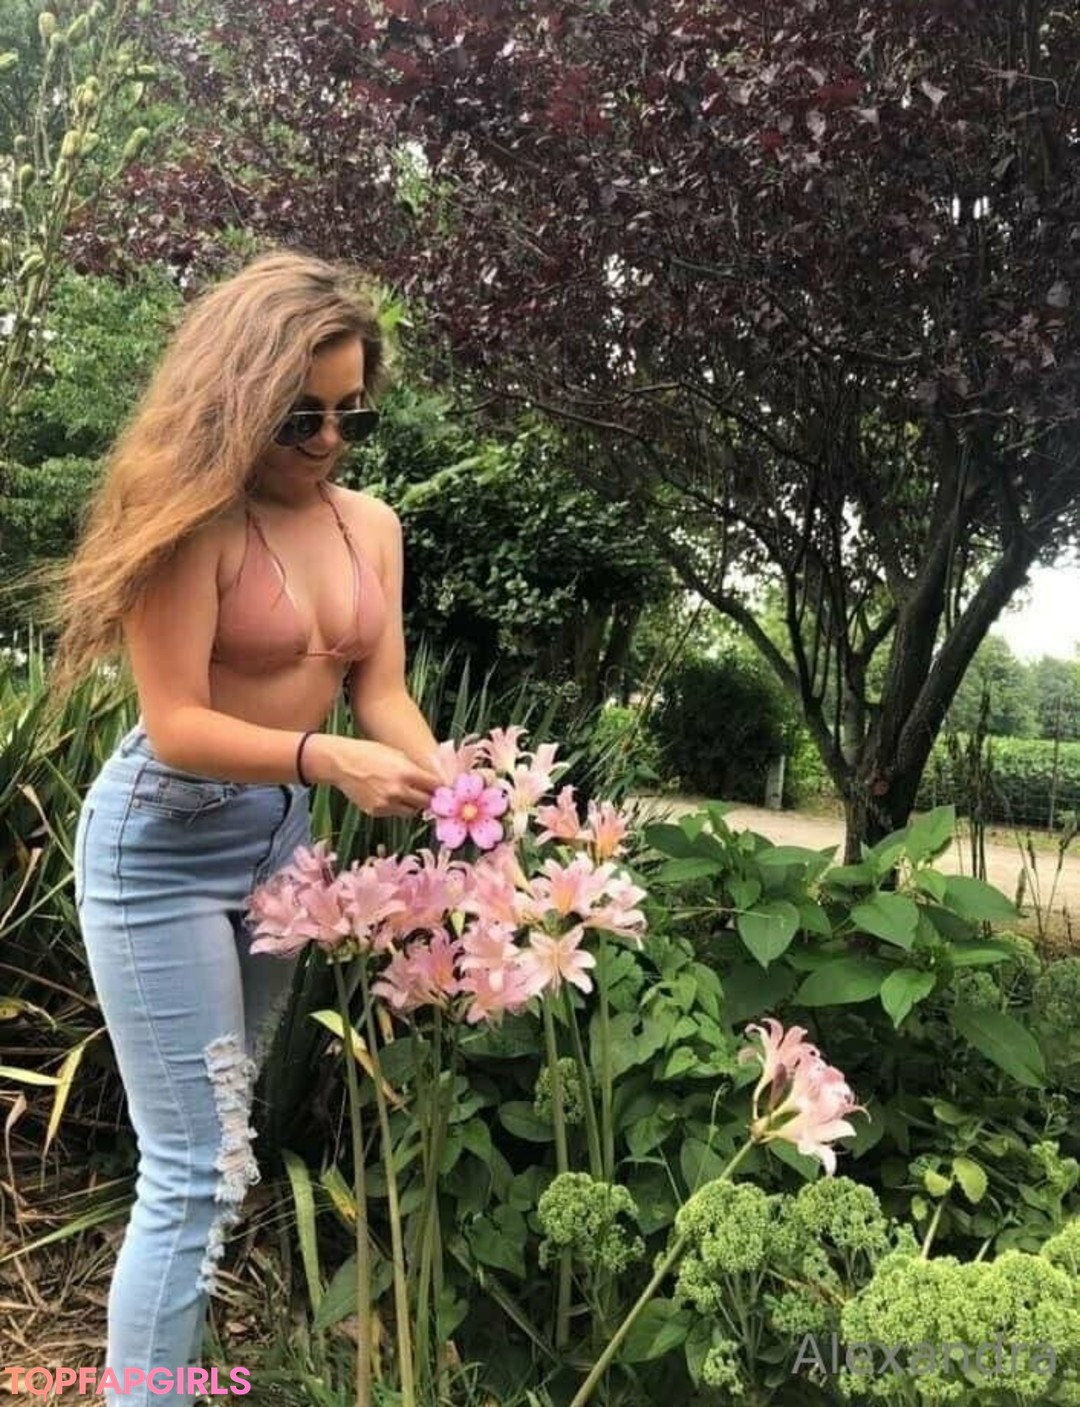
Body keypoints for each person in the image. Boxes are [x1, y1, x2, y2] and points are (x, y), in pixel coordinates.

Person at [48, 250, 443, 1406]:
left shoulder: (372, 526)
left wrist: (456, 793)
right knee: (193, 1168)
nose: (328, 441)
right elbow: (176, 724)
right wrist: (327, 758)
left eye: (351, 414)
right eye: (298, 416)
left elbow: (381, 693)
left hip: (280, 854)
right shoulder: (191, 526)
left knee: (222, 1160)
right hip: (162, 850)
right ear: (237, 400)